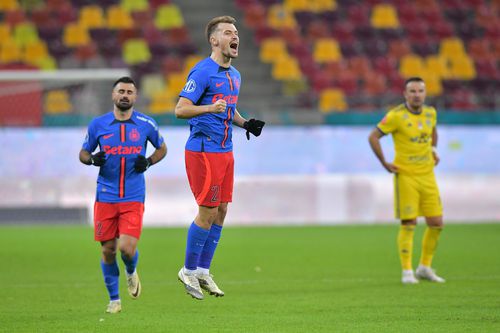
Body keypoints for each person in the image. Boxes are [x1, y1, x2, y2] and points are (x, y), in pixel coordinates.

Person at [174, 15, 265, 300]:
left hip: (226, 151)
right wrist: (209, 108)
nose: (234, 36)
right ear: (214, 40)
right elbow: (181, 109)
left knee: (223, 210)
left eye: (236, 32)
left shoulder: (235, 75)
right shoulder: (202, 72)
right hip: (204, 150)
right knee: (209, 211)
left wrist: (245, 122)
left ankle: (203, 270)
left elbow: (228, 109)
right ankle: (187, 270)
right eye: (228, 32)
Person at [79, 76, 167, 313]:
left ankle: (130, 271)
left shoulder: (146, 124)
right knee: (107, 250)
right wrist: (92, 160)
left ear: (135, 97)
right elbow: (83, 153)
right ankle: (114, 300)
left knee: (126, 249)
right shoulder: (98, 125)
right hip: (105, 196)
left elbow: (162, 148)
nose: (125, 95)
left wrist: (148, 162)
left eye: (130, 92)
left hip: (133, 196)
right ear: (113, 95)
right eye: (121, 91)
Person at [368, 77, 445, 284]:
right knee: (409, 222)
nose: (417, 94)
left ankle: (425, 267)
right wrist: (384, 162)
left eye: (420, 90)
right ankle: (407, 272)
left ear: (425, 93)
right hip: (406, 176)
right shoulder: (396, 116)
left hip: (428, 175)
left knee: (436, 223)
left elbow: (433, 131)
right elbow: (373, 136)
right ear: (405, 94)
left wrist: (433, 149)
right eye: (412, 91)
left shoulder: (431, 113)